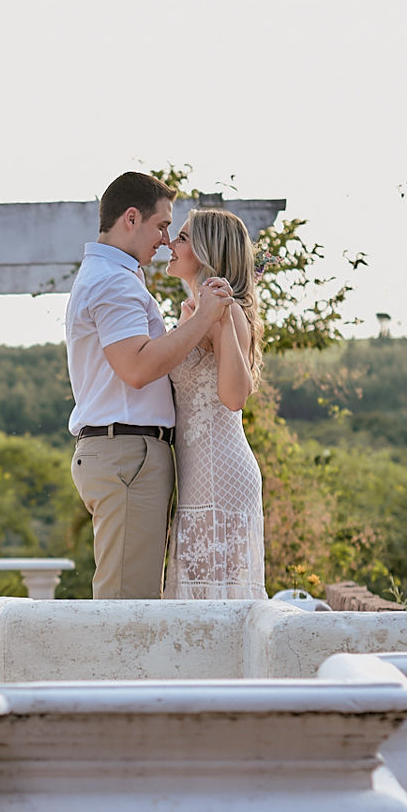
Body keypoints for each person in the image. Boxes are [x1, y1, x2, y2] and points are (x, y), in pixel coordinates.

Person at [66, 172, 235, 599]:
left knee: (133, 600)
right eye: (161, 226)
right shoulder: (113, 281)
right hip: (128, 454)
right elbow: (137, 368)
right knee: (127, 607)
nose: (165, 239)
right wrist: (204, 318)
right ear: (130, 218)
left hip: (125, 452)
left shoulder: (113, 275)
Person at [163, 208, 268, 600]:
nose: (171, 244)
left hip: (220, 475)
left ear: (207, 250)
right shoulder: (190, 312)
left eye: (183, 238)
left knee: (214, 606)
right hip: (196, 474)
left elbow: (235, 397)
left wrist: (220, 321)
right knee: (198, 603)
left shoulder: (230, 312)